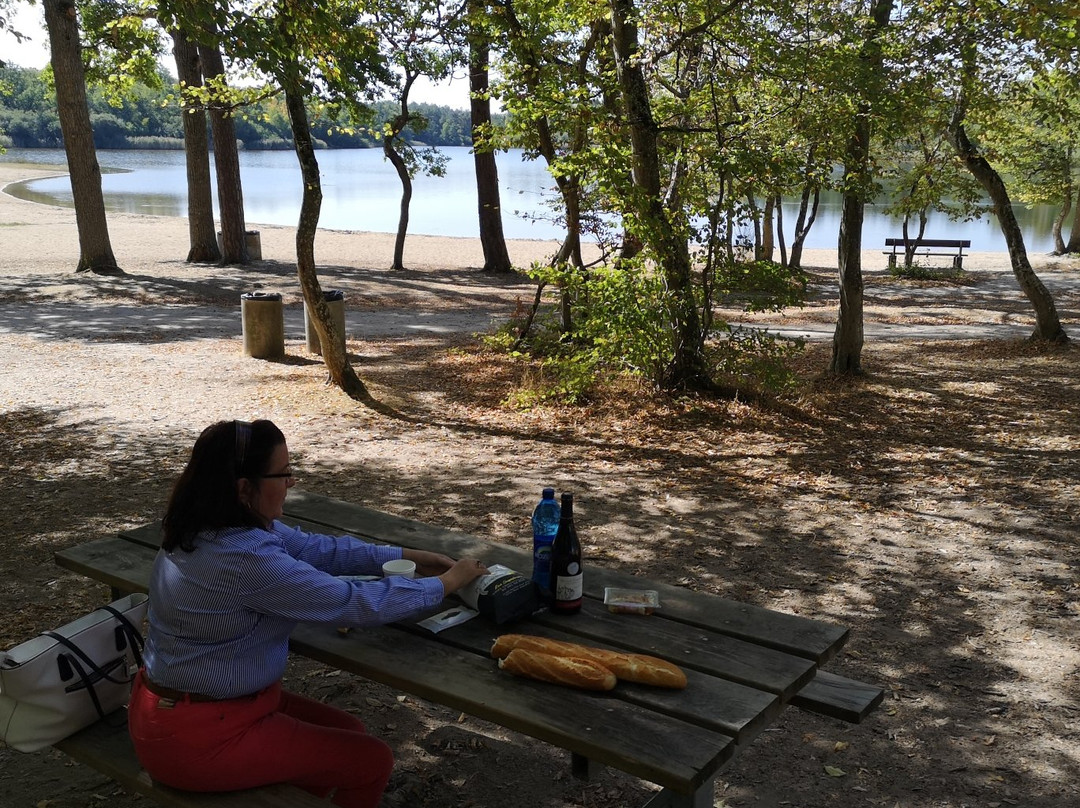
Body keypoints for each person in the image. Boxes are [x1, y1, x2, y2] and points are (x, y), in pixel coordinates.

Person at [127, 419, 489, 808]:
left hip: (193, 710)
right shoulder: (245, 559)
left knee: (348, 729)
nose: (291, 483)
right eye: (282, 474)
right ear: (243, 488)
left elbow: (321, 550)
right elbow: (355, 602)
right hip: (197, 737)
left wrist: (410, 556)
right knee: (371, 760)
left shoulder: (212, 525)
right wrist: (447, 583)